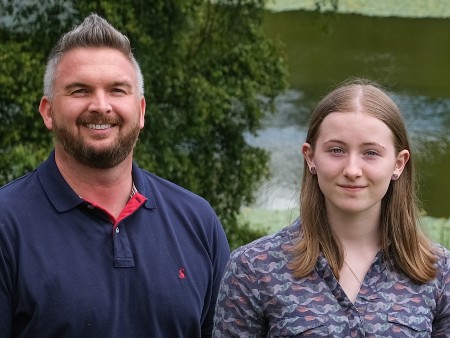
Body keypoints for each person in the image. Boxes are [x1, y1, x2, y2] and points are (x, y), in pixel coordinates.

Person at [0, 13, 230, 338]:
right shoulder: (6, 224)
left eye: (117, 90)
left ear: (141, 112)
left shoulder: (197, 221)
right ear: (48, 111)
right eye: (80, 90)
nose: (101, 105)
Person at [213, 78, 450, 337]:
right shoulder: (254, 268)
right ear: (311, 157)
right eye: (336, 150)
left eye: (371, 153)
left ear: (399, 163)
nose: (352, 170)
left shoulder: (439, 272)